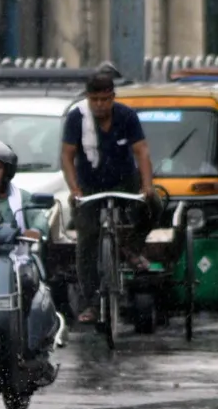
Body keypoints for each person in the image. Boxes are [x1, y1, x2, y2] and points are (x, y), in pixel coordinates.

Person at [60, 72, 159, 324]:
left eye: (105, 99)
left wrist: (147, 186)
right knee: (87, 238)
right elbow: (67, 156)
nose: (100, 105)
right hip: (89, 186)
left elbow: (141, 151)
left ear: (113, 97)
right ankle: (92, 302)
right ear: (88, 98)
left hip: (125, 180)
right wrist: (74, 189)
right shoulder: (77, 118)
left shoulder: (126, 116)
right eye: (95, 100)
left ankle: (132, 247)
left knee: (154, 205)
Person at [0, 139, 48, 307]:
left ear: (7, 170)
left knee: (31, 288)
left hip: (16, 260)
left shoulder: (23, 198)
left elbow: (39, 218)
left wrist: (36, 230)